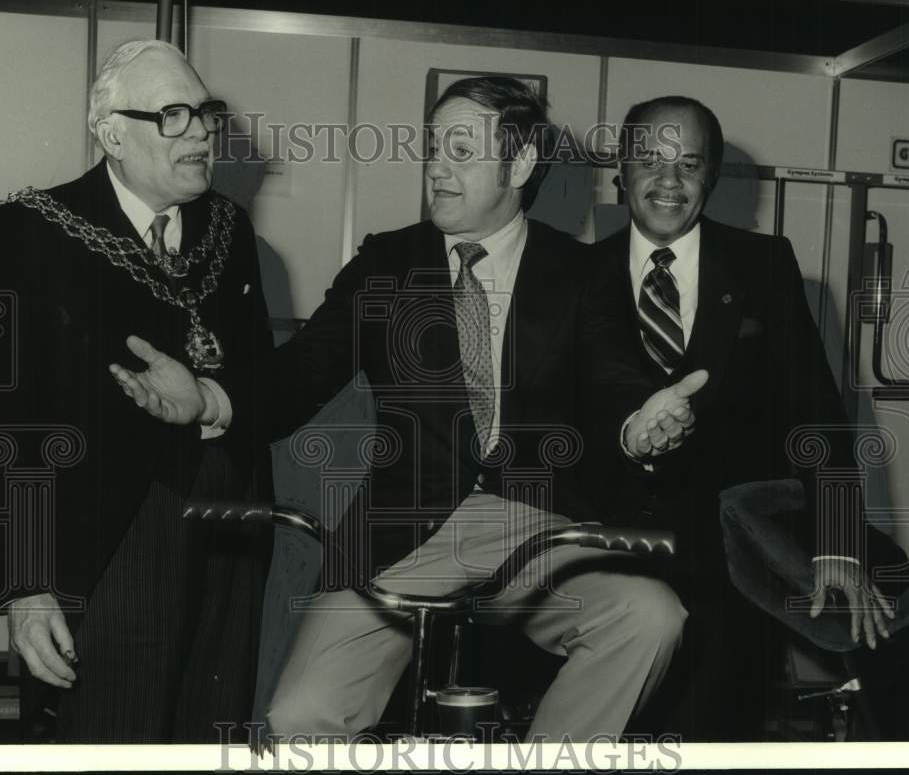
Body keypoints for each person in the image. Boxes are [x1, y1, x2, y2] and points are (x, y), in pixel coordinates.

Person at [110, 76, 708, 741]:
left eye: (460, 150)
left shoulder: (583, 272)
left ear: (520, 164)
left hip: (539, 526)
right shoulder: (386, 263)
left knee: (649, 619)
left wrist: (640, 423)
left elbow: (616, 379)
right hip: (406, 528)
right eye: (432, 148)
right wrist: (210, 397)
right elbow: (300, 372)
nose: (437, 168)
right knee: (300, 720)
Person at [0, 39, 273, 742]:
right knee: (116, 738)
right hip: (111, 540)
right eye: (172, 115)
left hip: (233, 528)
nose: (200, 131)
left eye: (205, 113)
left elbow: (260, 378)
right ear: (111, 133)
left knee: (213, 736)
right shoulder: (32, 230)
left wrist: (216, 399)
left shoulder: (231, 227)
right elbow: (1, 416)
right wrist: (25, 582)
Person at [593, 95, 901, 739]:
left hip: (732, 566)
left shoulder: (765, 265)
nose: (669, 181)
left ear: (711, 177)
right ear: (619, 169)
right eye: (650, 160)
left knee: (720, 729)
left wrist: (838, 539)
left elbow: (815, 413)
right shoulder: (572, 274)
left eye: (691, 164)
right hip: (610, 556)